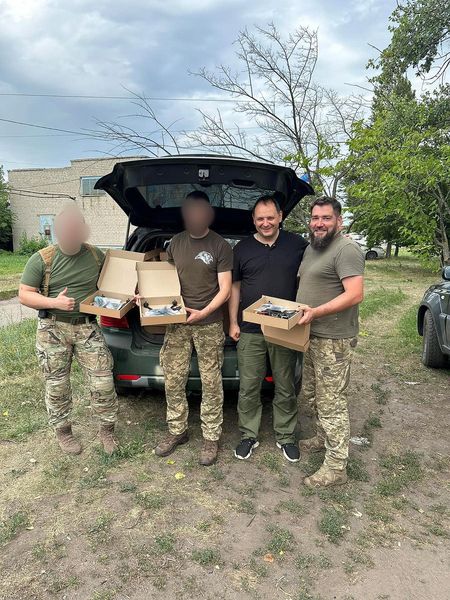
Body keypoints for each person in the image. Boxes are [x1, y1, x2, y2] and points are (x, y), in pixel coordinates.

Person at [18, 205, 119, 455]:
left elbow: (113, 284)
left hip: (86, 327)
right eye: (65, 230)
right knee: (57, 385)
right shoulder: (42, 259)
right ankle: (63, 432)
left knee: (103, 381)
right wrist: (54, 302)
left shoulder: (96, 255)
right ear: (57, 231)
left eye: (76, 230)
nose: (71, 235)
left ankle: (106, 431)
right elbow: (24, 294)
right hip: (52, 328)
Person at [154, 191, 233, 466]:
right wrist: (148, 297)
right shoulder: (176, 243)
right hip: (177, 323)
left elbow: (225, 290)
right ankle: (178, 431)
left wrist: (204, 312)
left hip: (209, 324)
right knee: (173, 378)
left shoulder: (220, 245)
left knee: (211, 382)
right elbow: (164, 281)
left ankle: (211, 437)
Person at [229, 195, 308, 462]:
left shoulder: (297, 245)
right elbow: (234, 288)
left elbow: (312, 276)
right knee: (249, 387)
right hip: (250, 329)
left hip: (285, 329)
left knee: (285, 385)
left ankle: (285, 436)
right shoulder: (241, 249)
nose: (265, 223)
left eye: (270, 218)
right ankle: (248, 435)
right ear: (253, 220)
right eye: (260, 218)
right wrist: (233, 322)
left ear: (280, 216)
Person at [296, 196, 364, 488]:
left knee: (332, 402)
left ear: (339, 220)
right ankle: (322, 437)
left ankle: (336, 467)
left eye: (326, 218)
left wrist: (316, 312)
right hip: (312, 335)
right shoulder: (313, 247)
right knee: (313, 394)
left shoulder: (346, 249)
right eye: (315, 218)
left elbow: (355, 294)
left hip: (334, 340)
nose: (319, 223)